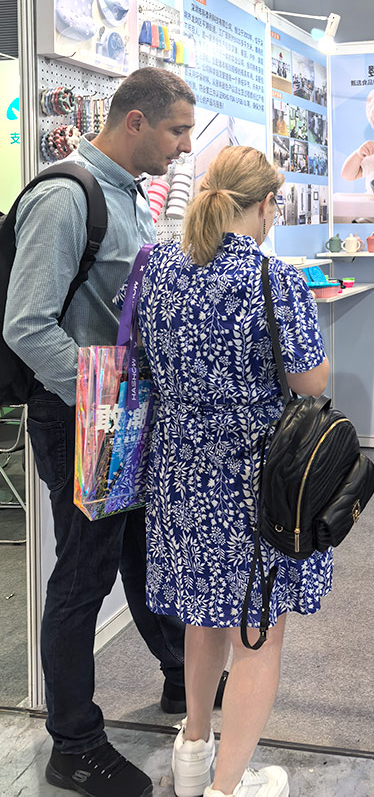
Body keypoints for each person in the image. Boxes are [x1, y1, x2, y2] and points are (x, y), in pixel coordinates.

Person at [4, 67, 196, 797]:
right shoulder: (65, 197)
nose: (185, 146)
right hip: (83, 414)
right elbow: (26, 325)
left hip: (120, 409)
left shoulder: (131, 194)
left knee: (142, 550)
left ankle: (180, 671)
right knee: (84, 575)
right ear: (135, 121)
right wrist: (95, 398)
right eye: (177, 130)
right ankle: (74, 743)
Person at [129, 145, 331, 797]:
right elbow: (310, 381)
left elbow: (141, 355)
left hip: (180, 469)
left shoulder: (156, 267)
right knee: (258, 634)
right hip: (254, 478)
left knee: (202, 614)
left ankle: (194, 751)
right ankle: (226, 788)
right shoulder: (275, 280)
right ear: (267, 204)